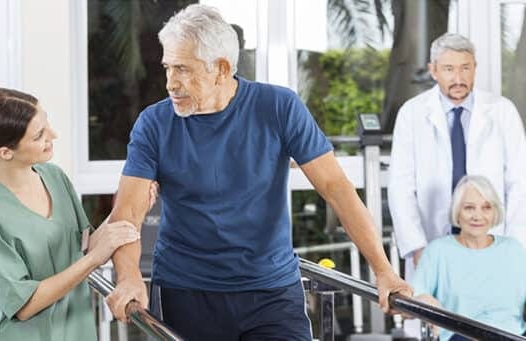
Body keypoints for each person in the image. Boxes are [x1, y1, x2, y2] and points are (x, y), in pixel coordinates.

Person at [101, 4, 412, 340]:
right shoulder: (155, 124)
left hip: (271, 291)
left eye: (182, 69)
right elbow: (127, 216)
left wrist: (384, 270)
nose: (170, 83)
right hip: (188, 291)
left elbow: (336, 187)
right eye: (167, 68)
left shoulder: (279, 107)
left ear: (221, 68)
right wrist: (129, 274)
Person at [0, 87, 143, 340]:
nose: (53, 135)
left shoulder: (54, 177)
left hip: (74, 330)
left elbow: (80, 248)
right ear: (5, 152)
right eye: (39, 135)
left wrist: (131, 204)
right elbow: (24, 305)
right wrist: (95, 259)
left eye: (46, 123)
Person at [389, 32, 526, 276]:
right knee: (435, 309)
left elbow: (520, 184)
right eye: (449, 69)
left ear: (475, 68)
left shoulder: (502, 112)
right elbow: (400, 186)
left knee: (487, 310)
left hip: (493, 243)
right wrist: (416, 246)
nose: (458, 78)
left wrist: (514, 246)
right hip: (432, 243)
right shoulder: (412, 114)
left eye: (465, 68)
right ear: (433, 71)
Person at [411, 175, 526, 340]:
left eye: (486, 208)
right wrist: (423, 299)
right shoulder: (438, 250)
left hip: (512, 335)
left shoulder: (513, 250)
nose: (477, 216)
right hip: (460, 336)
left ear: (495, 213)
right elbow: (415, 294)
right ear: (457, 212)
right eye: (469, 207)